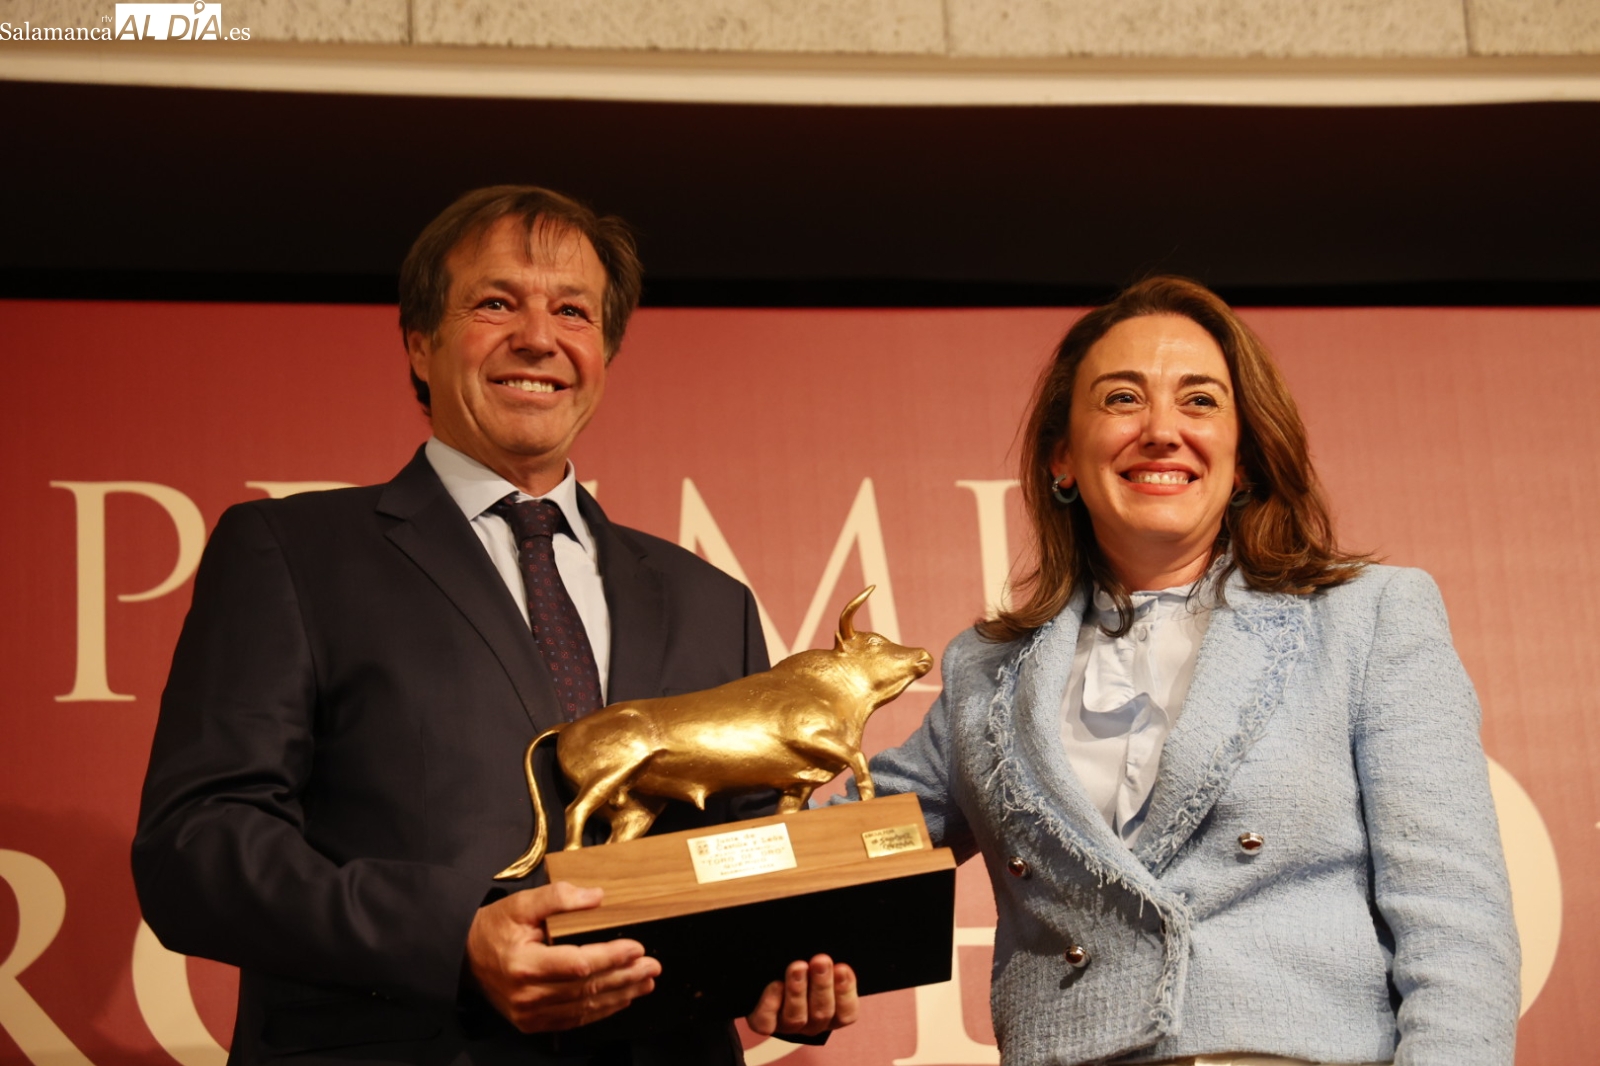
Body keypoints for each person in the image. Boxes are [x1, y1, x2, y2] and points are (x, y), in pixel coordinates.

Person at [132, 185, 855, 1065]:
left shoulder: (709, 600)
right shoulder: (292, 552)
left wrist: (796, 963)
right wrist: (452, 940)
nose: (538, 338)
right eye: (496, 303)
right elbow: (196, 851)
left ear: (605, 353)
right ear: (420, 342)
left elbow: (750, 860)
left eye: (573, 312)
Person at [862, 277, 1519, 1065]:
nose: (1162, 430)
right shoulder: (985, 670)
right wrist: (694, 900)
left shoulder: (1371, 617)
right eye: (1121, 400)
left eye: (1200, 402)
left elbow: (1456, 926)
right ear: (1061, 457)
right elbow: (861, 842)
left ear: (1243, 458)